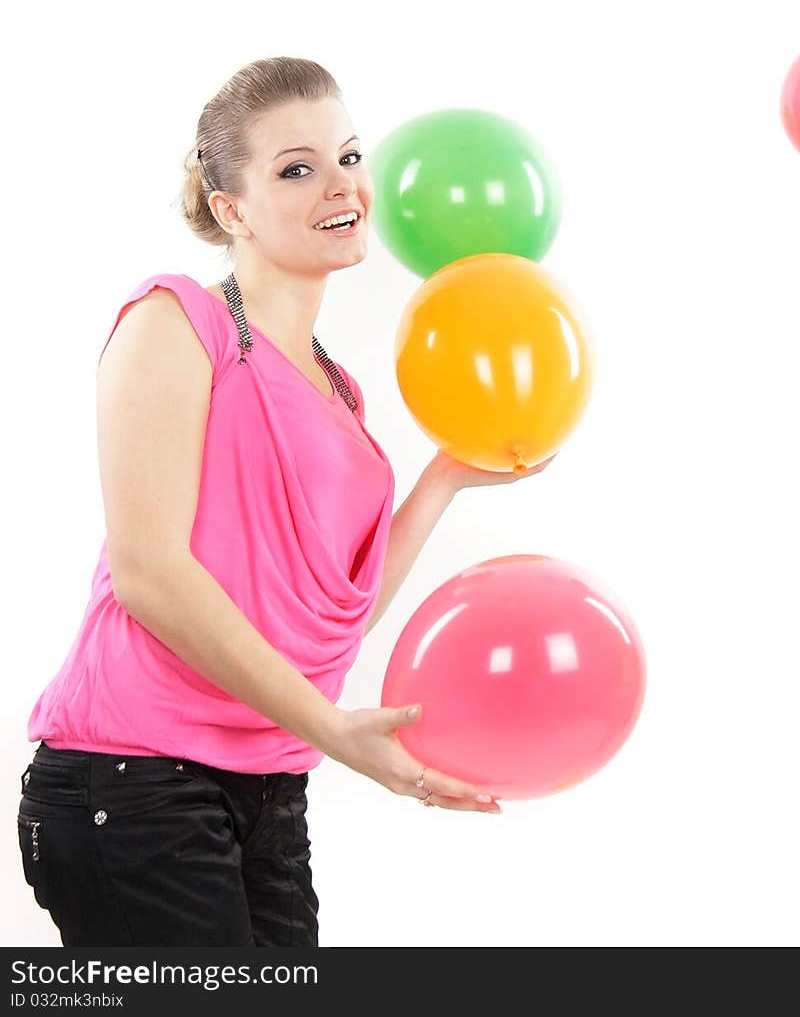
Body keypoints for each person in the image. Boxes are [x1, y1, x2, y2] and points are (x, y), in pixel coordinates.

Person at [16, 56, 555, 947]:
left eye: (348, 157)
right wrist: (338, 734)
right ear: (231, 210)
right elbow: (150, 571)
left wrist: (444, 479)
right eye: (296, 169)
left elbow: (326, 619)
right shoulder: (178, 321)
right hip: (132, 781)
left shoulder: (341, 391)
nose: (341, 185)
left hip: (268, 789)